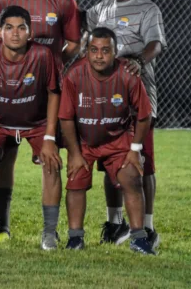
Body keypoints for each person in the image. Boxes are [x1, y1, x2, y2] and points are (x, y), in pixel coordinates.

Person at [0, 0, 81, 241]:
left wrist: (52, 65)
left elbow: (74, 44)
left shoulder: (64, 1)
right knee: (5, 157)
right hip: (9, 92)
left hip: (48, 96)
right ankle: (2, 226)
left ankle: (49, 233)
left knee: (50, 158)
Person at [0, 6, 60, 249]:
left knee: (52, 164)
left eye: (21, 28)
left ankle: (49, 234)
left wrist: (49, 137)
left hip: (35, 124)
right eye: (9, 28)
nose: (15, 34)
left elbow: (54, 94)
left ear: (30, 32)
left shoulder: (42, 55)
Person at [87, 0, 166, 251]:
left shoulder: (148, 8)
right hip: (105, 98)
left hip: (138, 98)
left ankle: (147, 226)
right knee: (110, 163)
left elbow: (155, 44)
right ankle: (115, 222)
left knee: (142, 163)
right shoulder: (99, 10)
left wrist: (138, 60)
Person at [59, 27, 156, 255]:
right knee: (75, 180)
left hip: (118, 139)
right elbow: (65, 117)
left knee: (132, 177)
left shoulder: (128, 74)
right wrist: (74, 153)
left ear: (115, 52)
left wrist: (134, 150)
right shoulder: (74, 74)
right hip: (84, 141)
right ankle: (75, 239)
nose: (99, 56)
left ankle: (139, 238)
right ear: (86, 52)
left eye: (105, 50)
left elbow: (144, 115)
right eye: (93, 50)